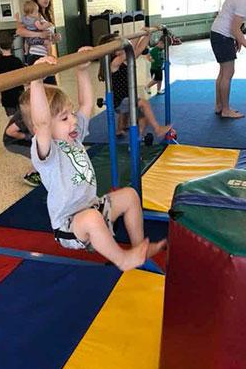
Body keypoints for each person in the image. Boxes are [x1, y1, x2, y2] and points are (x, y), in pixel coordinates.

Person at [24, 49, 167, 272]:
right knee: (91, 219)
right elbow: (42, 123)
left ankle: (139, 247)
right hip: (70, 225)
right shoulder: (47, 153)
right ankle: (122, 259)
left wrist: (81, 70)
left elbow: (86, 105)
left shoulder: (73, 136)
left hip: (93, 207)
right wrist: (36, 82)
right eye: (64, 118)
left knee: (129, 195)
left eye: (70, 114)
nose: (73, 120)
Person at [98, 32, 171, 139]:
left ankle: (127, 133)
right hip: (119, 101)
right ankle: (157, 129)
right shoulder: (114, 63)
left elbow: (140, 48)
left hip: (125, 97)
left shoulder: (124, 60)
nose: (123, 46)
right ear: (113, 51)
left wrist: (147, 34)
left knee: (143, 118)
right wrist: (134, 37)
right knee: (144, 103)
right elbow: (130, 47)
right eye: (120, 44)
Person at [16, 0, 61, 85]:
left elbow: (48, 36)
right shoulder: (33, 14)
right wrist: (38, 35)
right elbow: (19, 31)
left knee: (51, 90)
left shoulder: (47, 15)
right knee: (46, 88)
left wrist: (54, 38)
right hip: (36, 55)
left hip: (45, 54)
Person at [3, 107, 41, 187]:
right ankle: (31, 175)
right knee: (37, 154)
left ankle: (38, 168)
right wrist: (28, 136)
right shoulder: (28, 115)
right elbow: (10, 131)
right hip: (13, 142)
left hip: (24, 136)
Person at [0, 31, 24, 116]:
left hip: (6, 96)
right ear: (12, 44)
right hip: (19, 94)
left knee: (12, 118)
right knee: (22, 117)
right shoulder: (17, 61)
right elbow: (24, 78)